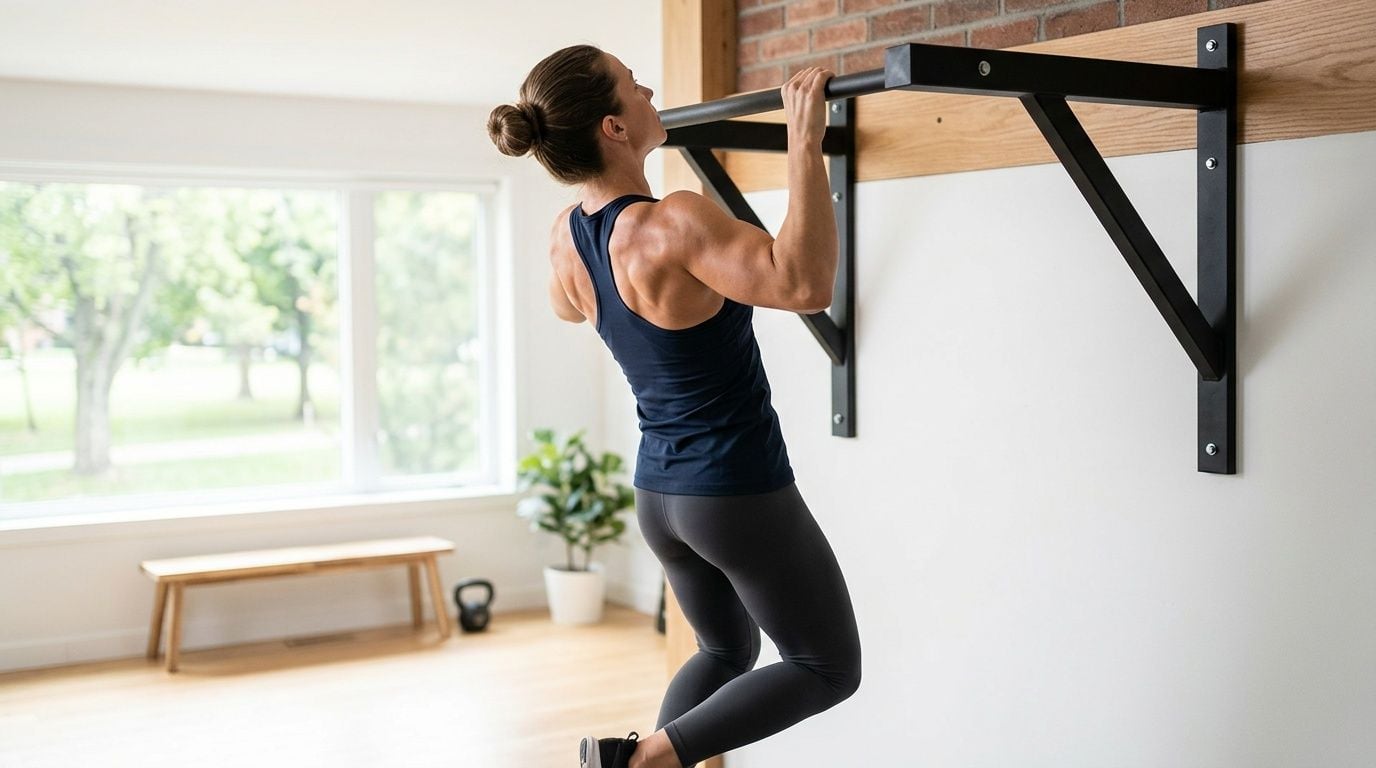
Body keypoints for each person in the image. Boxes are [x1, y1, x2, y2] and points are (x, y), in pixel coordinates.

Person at [487, 44, 862, 768]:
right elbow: (804, 284)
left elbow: (570, 311)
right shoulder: (671, 223)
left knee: (726, 650)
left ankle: (641, 763)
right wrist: (804, 142)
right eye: (633, 84)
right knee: (826, 666)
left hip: (660, 494)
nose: (650, 88)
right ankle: (640, 761)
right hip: (732, 491)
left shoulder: (566, 235)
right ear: (614, 128)